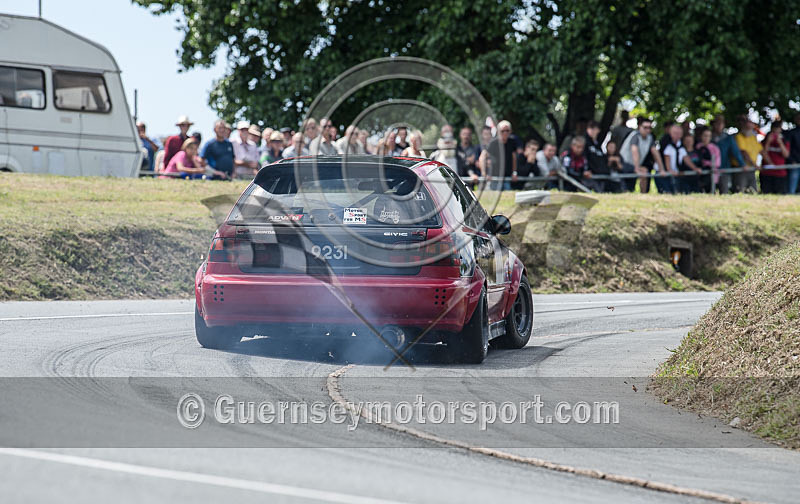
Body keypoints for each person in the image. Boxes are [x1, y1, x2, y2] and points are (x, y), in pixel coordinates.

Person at [619, 117, 665, 193]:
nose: (648, 130)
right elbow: (635, 151)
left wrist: (661, 169)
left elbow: (655, 152)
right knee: (643, 171)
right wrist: (637, 168)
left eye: (650, 128)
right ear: (640, 127)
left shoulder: (650, 138)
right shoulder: (635, 136)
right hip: (624, 162)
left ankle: (643, 194)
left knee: (644, 171)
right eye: (645, 127)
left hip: (633, 165)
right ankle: (643, 194)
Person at [711, 115, 745, 194]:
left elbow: (736, 152)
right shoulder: (709, 137)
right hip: (711, 169)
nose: (719, 125)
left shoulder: (728, 138)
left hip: (724, 169)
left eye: (721, 123)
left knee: (724, 190)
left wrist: (742, 164)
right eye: (717, 123)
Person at [479, 120, 516, 190]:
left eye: (507, 130)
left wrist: (514, 172)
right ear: (498, 131)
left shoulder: (512, 142)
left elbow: (513, 157)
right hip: (494, 179)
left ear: (510, 131)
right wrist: (484, 174)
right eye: (503, 131)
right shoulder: (493, 143)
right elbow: (482, 157)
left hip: (507, 177)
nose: (505, 133)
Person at [733, 116, 762, 193]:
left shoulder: (753, 137)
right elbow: (743, 152)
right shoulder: (738, 137)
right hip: (741, 168)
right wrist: (754, 164)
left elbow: (761, 150)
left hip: (751, 168)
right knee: (740, 190)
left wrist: (771, 163)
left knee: (753, 191)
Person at [761, 121, 790, 194]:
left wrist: (780, 143)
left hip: (780, 173)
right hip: (766, 173)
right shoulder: (765, 141)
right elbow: (763, 153)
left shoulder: (784, 140)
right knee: (766, 195)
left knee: (781, 194)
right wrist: (768, 142)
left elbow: (786, 155)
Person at [584, 120, 608, 192]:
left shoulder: (597, 144)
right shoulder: (585, 142)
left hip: (600, 173)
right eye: (594, 130)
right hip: (590, 174)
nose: (596, 132)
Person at [660, 124, 684, 194]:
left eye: (679, 133)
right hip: (664, 172)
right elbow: (666, 157)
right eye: (675, 133)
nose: (677, 135)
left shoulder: (680, 144)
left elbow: (685, 158)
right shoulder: (666, 142)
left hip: (675, 173)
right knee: (667, 192)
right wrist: (669, 170)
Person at [695, 127, 720, 193]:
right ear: (701, 136)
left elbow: (717, 163)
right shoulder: (697, 147)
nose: (706, 138)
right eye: (705, 136)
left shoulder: (715, 148)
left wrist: (706, 163)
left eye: (709, 136)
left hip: (711, 176)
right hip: (699, 176)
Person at [784, 112, 800, 194]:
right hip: (794, 163)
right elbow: (787, 149)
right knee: (791, 188)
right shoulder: (791, 133)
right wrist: (791, 160)